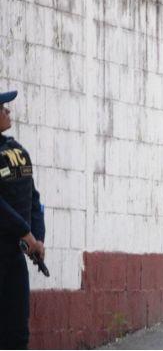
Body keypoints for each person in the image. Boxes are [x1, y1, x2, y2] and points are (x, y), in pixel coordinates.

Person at [0, 90, 46, 349]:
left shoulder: (17, 151)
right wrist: (25, 232)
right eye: (3, 108)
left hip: (15, 255)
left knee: (17, 332)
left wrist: (38, 238)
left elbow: (33, 197)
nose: (8, 112)